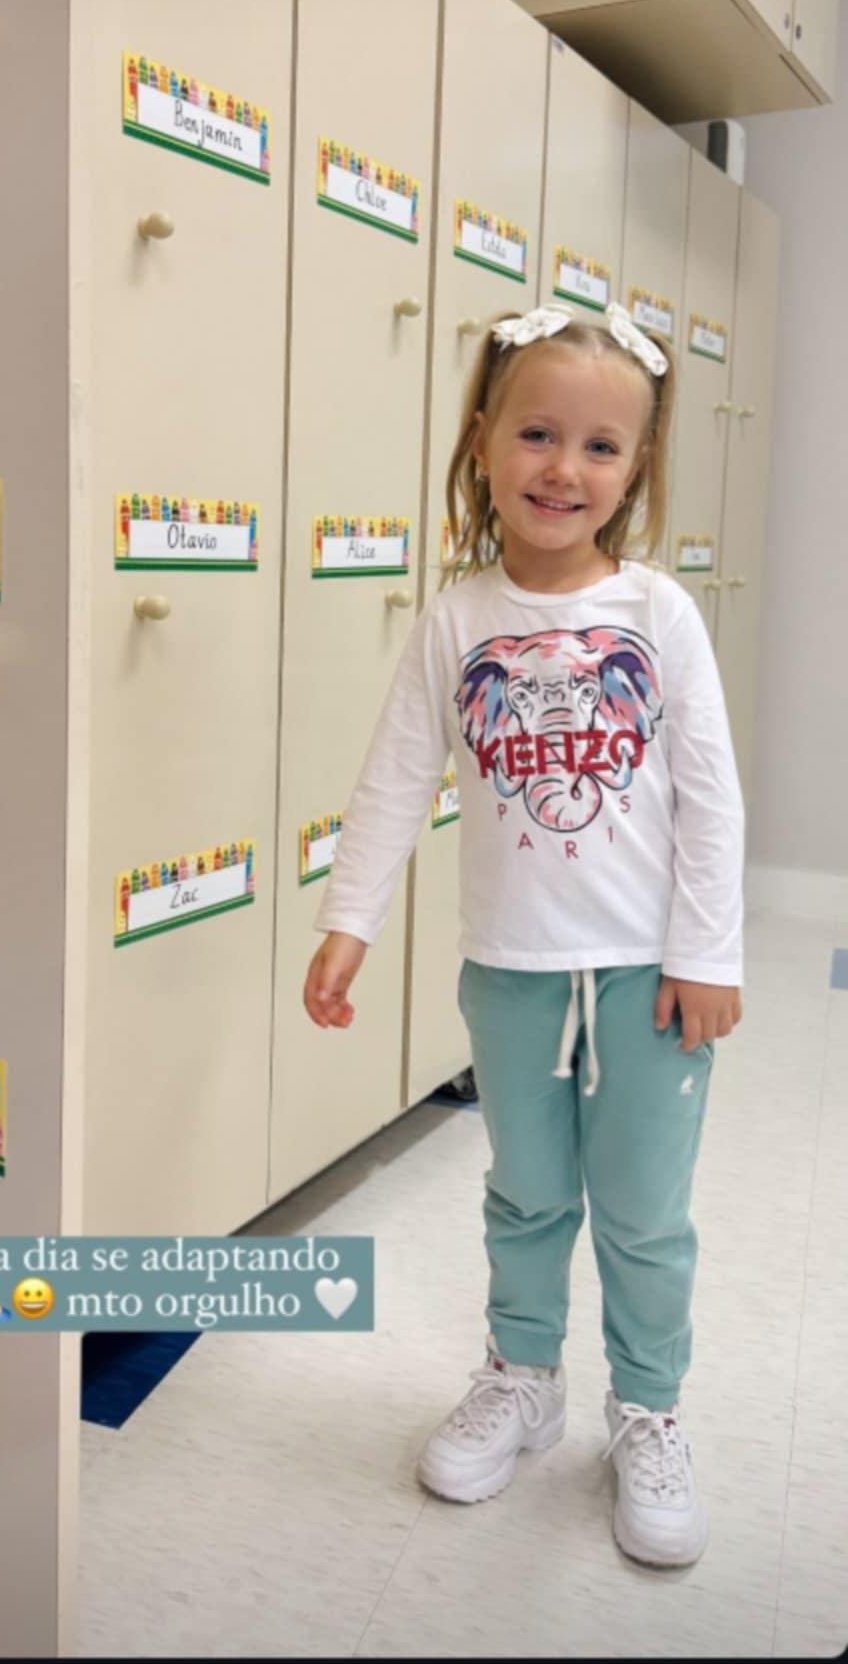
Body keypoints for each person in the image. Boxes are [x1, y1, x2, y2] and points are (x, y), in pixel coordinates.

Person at [302, 300, 744, 1569]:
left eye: (602, 447)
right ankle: (524, 1376)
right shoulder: (455, 620)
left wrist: (709, 950)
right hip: (510, 969)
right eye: (540, 433)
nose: (566, 467)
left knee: (644, 1213)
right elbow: (396, 776)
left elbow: (710, 793)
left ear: (637, 468)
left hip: (649, 978)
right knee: (527, 1194)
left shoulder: (660, 613)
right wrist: (350, 919)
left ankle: (648, 1411)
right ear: (486, 440)